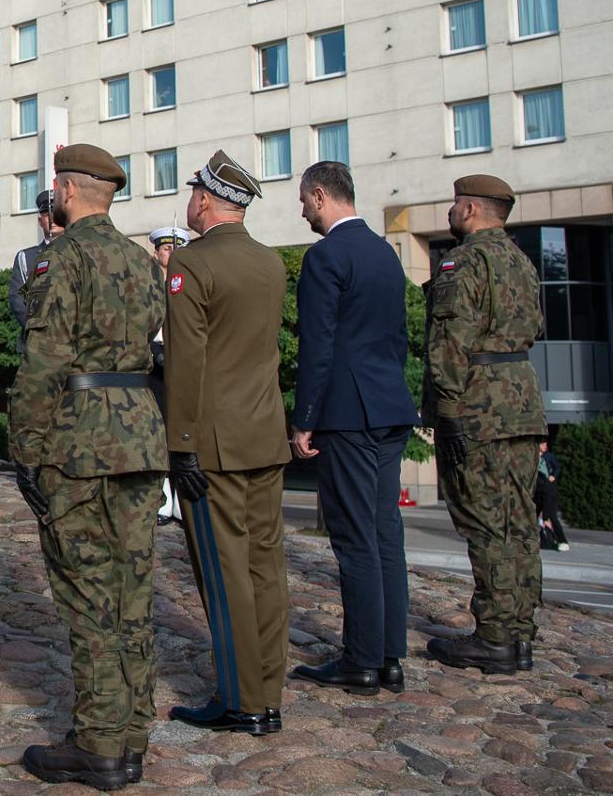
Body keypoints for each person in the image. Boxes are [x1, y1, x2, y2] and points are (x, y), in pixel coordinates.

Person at [10, 145, 166, 791]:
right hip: (138, 432)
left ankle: (99, 745)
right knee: (133, 591)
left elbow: (45, 360)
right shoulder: (141, 260)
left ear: (63, 191)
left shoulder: (62, 258)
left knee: (87, 594)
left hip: (80, 441)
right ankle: (130, 736)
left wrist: (25, 448)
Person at [165, 150, 292, 735]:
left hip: (213, 443)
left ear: (208, 201)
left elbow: (187, 362)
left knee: (225, 572)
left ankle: (240, 701)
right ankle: (268, 692)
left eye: (194, 192)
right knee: (266, 567)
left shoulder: (192, 264)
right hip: (265, 436)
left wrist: (180, 443)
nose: (189, 200)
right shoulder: (270, 263)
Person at [285, 161, 420, 697]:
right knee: (386, 532)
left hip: (347, 413)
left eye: (303, 201)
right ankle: (388, 656)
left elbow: (317, 348)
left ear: (320, 196)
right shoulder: (385, 253)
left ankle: (360, 660)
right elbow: (399, 336)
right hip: (390, 407)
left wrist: (304, 420)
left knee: (355, 537)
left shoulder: (326, 256)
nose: (301, 212)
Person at [424, 175, 548, 675]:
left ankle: (494, 636)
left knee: (484, 521)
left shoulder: (466, 260)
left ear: (471, 208)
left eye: (455, 204)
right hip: (520, 398)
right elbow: (534, 329)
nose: (451, 212)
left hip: (479, 405)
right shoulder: (521, 261)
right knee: (519, 521)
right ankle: (519, 633)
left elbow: (449, 339)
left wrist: (448, 410)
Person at [147, 227, 192, 526]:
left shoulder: (188, 282)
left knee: (182, 430)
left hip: (184, 361)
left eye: (177, 248)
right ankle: (164, 498)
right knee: (159, 430)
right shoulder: (150, 284)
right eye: (166, 249)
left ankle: (181, 497)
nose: (171, 253)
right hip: (155, 359)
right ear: (157, 253)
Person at [8, 190, 63, 354]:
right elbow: (18, 298)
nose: (52, 219)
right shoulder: (27, 257)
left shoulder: (80, 251)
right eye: (47, 215)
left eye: (57, 213)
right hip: (36, 343)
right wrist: (37, 327)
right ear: (40, 221)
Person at [537, 441, 569, 552]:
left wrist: (553, 476)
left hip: (548, 489)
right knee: (532, 515)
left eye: (546, 444)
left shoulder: (549, 456)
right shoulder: (532, 457)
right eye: (542, 444)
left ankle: (562, 541)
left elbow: (557, 467)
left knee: (550, 517)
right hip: (537, 490)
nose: (545, 446)